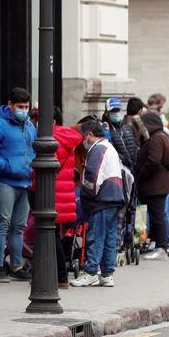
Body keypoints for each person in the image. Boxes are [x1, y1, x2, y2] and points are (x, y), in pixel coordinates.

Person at [68, 119, 125, 287]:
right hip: (114, 197)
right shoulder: (110, 148)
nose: (83, 142)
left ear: (90, 135)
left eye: (84, 138)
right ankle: (107, 274)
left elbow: (93, 178)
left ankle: (91, 271)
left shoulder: (97, 149)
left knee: (96, 236)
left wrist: (86, 197)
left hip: (102, 199)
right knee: (109, 237)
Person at [0, 87, 36, 280]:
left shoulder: (29, 125)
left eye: (26, 106)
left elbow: (33, 149)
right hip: (6, 181)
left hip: (24, 182)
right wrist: (7, 167)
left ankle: (16, 265)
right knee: (2, 223)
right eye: (20, 106)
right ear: (10, 105)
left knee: (18, 226)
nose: (24, 110)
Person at [135, 111, 169, 259]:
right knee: (158, 215)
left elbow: (153, 161)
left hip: (155, 185)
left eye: (143, 125)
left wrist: (141, 174)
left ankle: (161, 247)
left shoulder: (156, 139)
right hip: (158, 184)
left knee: (158, 216)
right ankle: (159, 244)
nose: (141, 129)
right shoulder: (161, 137)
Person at [52, 110, 83, 284]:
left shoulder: (53, 139)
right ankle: (60, 275)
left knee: (51, 234)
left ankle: (60, 276)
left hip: (52, 193)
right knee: (55, 233)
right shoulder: (67, 138)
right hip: (65, 192)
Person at [106, 97, 138, 170]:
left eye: (118, 110)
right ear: (107, 113)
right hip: (120, 169)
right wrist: (125, 161)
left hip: (134, 169)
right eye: (113, 111)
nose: (116, 113)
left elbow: (135, 145)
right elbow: (111, 151)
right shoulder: (106, 130)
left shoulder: (127, 128)